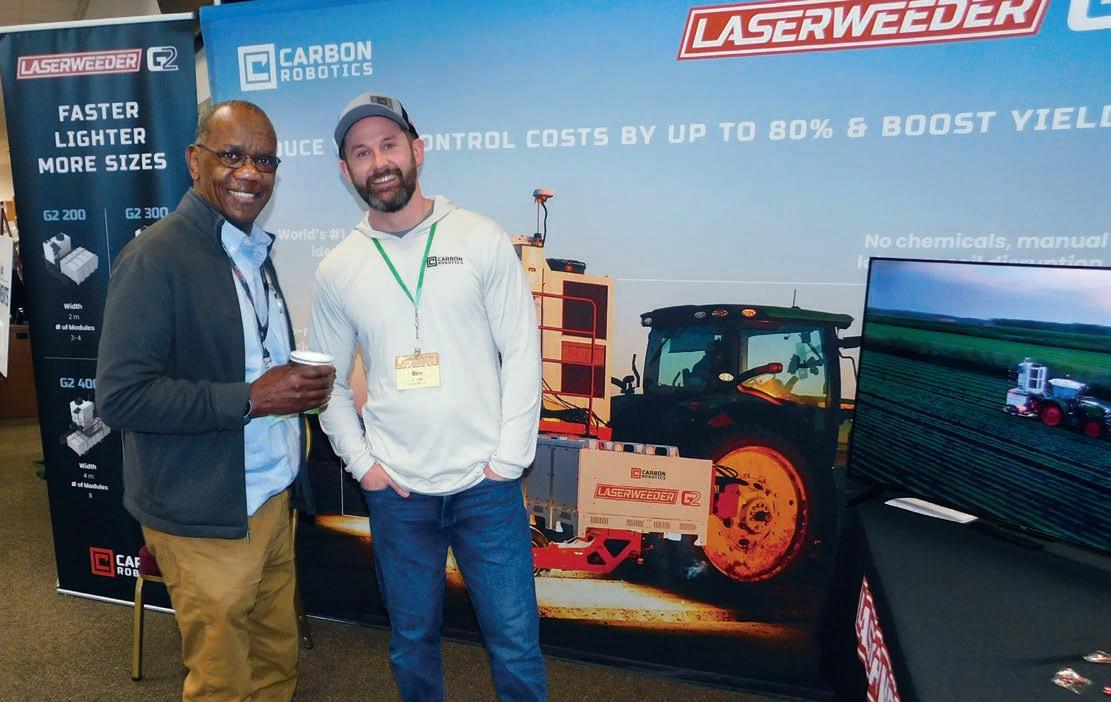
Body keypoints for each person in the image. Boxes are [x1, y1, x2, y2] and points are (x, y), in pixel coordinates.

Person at [310, 93, 546, 701]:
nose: (378, 162)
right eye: (361, 153)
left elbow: (523, 351)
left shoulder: (479, 239)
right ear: (346, 170)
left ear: (417, 150)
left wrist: (508, 461)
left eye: (389, 145)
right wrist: (364, 466)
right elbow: (328, 382)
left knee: (515, 643)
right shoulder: (339, 268)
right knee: (412, 641)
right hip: (400, 495)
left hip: (486, 490)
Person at [96, 100, 334, 702]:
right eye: (232, 155)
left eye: (264, 160)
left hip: (270, 497)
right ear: (194, 161)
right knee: (223, 683)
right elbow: (121, 398)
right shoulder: (154, 258)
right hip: (203, 513)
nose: (249, 172)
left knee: (275, 660)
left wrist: (296, 390)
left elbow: (242, 357)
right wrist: (250, 399)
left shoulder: (251, 251)